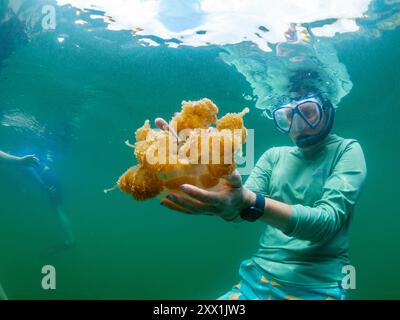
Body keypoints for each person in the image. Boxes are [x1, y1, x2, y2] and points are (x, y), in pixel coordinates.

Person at [158, 90, 367, 300]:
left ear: (327, 111)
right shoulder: (273, 156)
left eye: (308, 112)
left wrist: (249, 201)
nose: (297, 124)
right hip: (254, 282)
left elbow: (326, 223)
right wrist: (206, 175)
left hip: (317, 288)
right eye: (287, 117)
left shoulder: (347, 150)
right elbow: (239, 208)